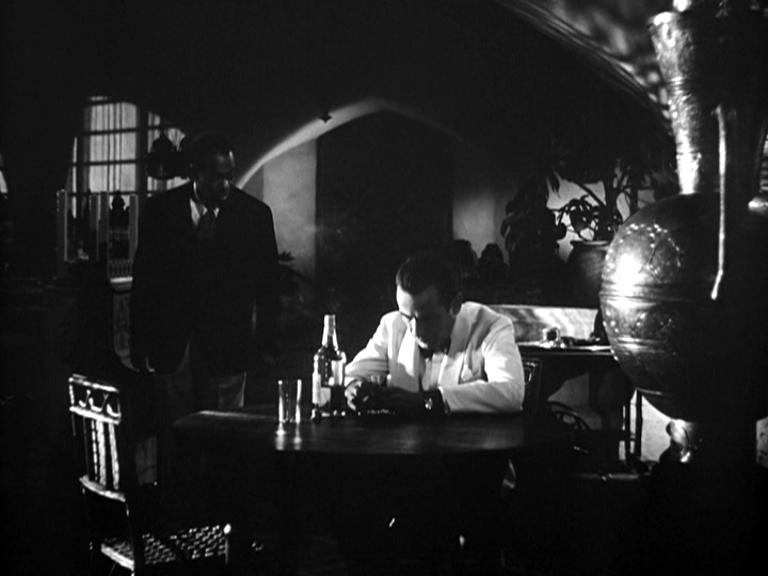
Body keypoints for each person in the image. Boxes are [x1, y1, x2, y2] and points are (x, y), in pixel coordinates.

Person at [129, 132, 280, 478]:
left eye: (230, 175)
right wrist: (140, 342)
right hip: (173, 346)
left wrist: (268, 346)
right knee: (175, 435)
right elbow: (145, 281)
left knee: (226, 437)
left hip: (228, 346)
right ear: (193, 172)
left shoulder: (254, 215)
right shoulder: (161, 212)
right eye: (216, 177)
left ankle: (221, 502)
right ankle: (177, 502)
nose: (225, 185)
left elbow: (268, 288)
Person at [345, 250, 526, 416]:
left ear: (455, 305)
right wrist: (354, 388)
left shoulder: (491, 326)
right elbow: (350, 375)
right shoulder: (392, 325)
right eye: (407, 317)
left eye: (427, 319)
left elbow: (511, 392)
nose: (415, 330)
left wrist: (429, 401)